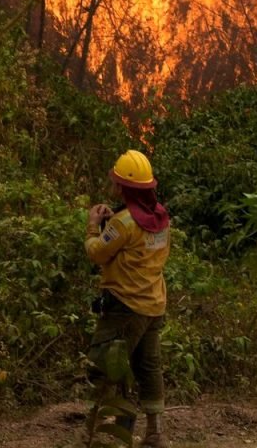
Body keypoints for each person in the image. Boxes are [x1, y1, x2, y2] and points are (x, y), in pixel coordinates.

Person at [85, 149, 172, 447]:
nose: (113, 185)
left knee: (108, 367)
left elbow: (97, 252)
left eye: (117, 181)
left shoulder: (123, 223)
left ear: (124, 186)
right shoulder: (161, 218)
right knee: (148, 367)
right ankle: (155, 433)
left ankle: (112, 435)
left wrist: (93, 226)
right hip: (154, 305)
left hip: (125, 306)